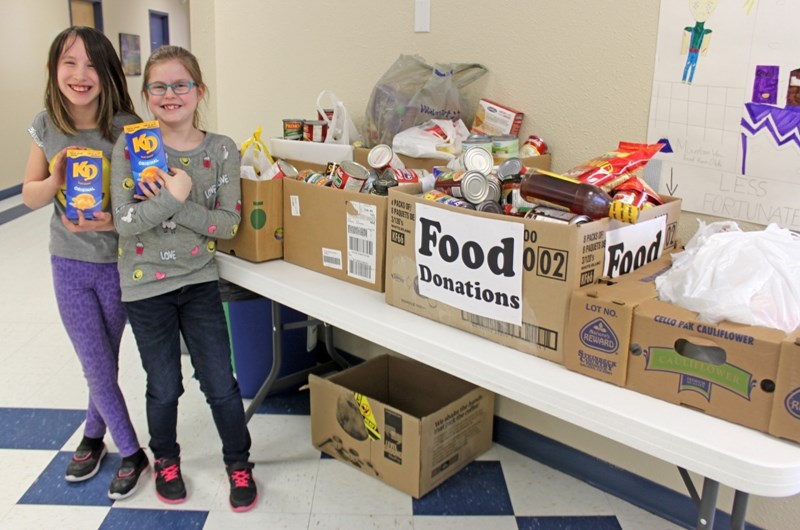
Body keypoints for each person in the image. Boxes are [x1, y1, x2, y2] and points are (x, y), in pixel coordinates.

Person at [110, 45, 257, 512]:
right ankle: (166, 460)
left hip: (197, 283)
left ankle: (239, 463)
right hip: (145, 286)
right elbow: (125, 222)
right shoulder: (131, 147)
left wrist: (177, 197)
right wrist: (172, 198)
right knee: (164, 385)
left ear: (199, 91)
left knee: (220, 382)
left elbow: (228, 224)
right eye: (159, 86)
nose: (170, 94)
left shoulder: (222, 149)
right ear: (146, 94)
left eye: (181, 84)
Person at [21, 26, 148, 499]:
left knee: (103, 361)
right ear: (54, 70)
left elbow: (141, 201)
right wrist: (53, 177)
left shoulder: (126, 126)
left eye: (92, 64)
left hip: (117, 264)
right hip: (68, 263)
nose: (80, 74)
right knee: (94, 363)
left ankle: (93, 436)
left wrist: (111, 220)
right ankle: (133, 452)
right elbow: (30, 194)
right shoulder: (46, 124)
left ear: (108, 71)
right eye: (69, 63)